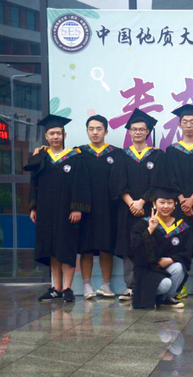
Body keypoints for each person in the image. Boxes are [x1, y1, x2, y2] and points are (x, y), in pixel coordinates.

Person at [25, 114, 91, 303]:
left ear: (64, 135)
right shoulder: (40, 157)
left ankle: (68, 288)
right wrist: (33, 207)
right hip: (46, 210)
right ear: (46, 136)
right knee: (51, 248)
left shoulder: (75, 157)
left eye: (59, 133)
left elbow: (81, 184)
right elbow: (34, 183)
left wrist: (77, 208)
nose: (56, 136)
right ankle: (56, 288)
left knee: (66, 247)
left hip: (67, 211)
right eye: (52, 133)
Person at [161, 104, 193, 300]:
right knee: (178, 244)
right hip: (177, 205)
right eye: (185, 122)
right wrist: (182, 199)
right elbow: (169, 177)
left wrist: (192, 199)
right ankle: (180, 284)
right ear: (179, 125)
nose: (189, 125)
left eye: (192, 122)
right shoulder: (172, 151)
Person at [110, 108, 163, 303]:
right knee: (129, 246)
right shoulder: (122, 155)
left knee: (149, 244)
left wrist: (142, 201)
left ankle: (148, 285)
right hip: (127, 210)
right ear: (129, 132)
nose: (138, 132)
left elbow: (158, 182)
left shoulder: (157, 156)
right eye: (134, 129)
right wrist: (131, 203)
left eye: (142, 129)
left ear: (148, 131)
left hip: (149, 209)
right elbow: (118, 183)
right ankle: (131, 286)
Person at [77, 115, 122, 299]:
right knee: (86, 248)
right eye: (91, 129)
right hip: (85, 208)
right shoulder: (79, 153)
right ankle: (87, 286)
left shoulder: (116, 154)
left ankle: (106, 285)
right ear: (87, 131)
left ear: (106, 131)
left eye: (99, 129)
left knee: (106, 247)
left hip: (108, 208)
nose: (95, 132)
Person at [130, 186, 191, 309]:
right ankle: (145, 295)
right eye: (162, 202)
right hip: (147, 270)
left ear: (175, 205)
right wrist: (150, 229)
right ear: (154, 204)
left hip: (167, 267)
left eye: (169, 202)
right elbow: (135, 249)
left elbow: (187, 251)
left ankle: (166, 299)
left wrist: (171, 259)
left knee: (178, 267)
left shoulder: (182, 227)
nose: (166, 206)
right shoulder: (143, 223)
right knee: (165, 284)